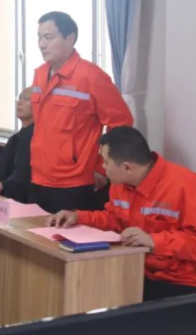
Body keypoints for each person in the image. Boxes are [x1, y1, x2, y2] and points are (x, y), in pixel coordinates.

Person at [46, 127, 196, 301]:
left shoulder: (185, 186)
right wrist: (78, 217)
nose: (102, 167)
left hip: (180, 283)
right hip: (135, 269)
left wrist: (155, 241)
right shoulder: (120, 182)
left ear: (127, 167)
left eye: (105, 162)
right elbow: (114, 219)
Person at [30, 11, 133, 213]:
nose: (42, 44)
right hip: (39, 176)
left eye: (49, 38)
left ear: (70, 38)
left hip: (74, 182)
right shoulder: (40, 74)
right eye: (39, 37)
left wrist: (101, 167)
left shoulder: (91, 77)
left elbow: (121, 124)